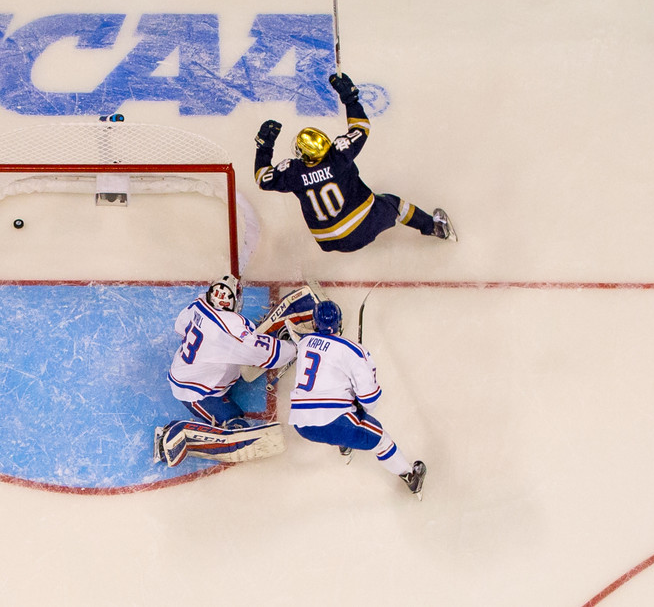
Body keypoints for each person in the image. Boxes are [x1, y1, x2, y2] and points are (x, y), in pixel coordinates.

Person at [253, 72, 456, 252]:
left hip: (326, 240)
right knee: (394, 202)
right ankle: (435, 228)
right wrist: (350, 99)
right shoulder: (338, 156)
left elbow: (262, 178)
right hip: (361, 228)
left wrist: (264, 147)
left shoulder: (293, 172)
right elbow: (361, 128)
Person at [287, 299, 426, 498]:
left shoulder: (304, 342)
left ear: (315, 323)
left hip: (301, 424)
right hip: (335, 423)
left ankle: (344, 446)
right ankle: (411, 477)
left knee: (341, 414)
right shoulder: (353, 351)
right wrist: (361, 406)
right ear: (340, 324)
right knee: (381, 440)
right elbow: (370, 399)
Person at [154, 275, 297, 467]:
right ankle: (177, 433)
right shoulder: (230, 328)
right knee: (235, 423)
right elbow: (269, 355)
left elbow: (180, 326)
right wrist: (296, 347)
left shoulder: (197, 304)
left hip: (187, 371)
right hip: (197, 392)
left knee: (242, 350)